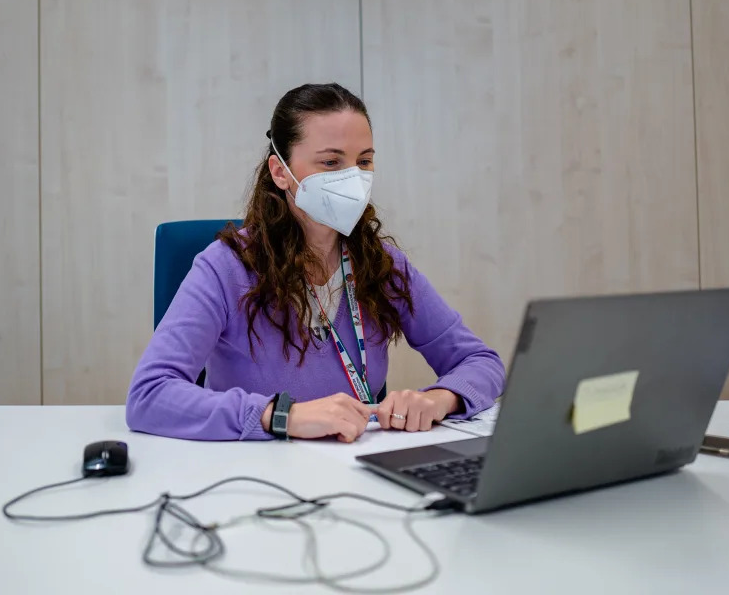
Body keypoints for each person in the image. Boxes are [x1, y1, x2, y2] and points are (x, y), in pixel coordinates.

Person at [126, 83, 505, 443]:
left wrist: (441, 398)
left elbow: (481, 362)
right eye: (331, 162)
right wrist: (281, 417)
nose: (352, 178)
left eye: (364, 162)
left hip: (358, 475)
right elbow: (149, 395)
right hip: (250, 478)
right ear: (280, 173)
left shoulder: (382, 263)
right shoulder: (226, 267)